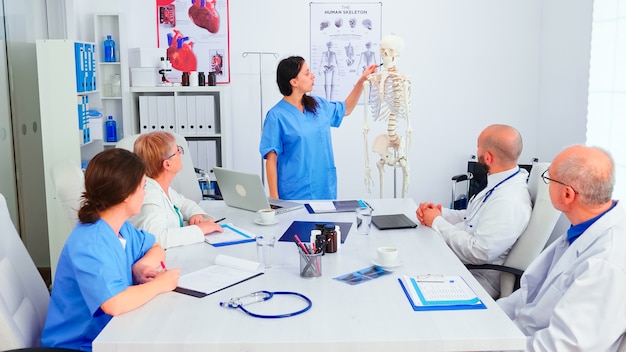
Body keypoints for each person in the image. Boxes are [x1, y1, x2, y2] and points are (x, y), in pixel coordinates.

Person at [41, 148, 179, 351]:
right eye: (142, 187)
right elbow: (114, 303)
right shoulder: (91, 243)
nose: (144, 193)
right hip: (80, 345)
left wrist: (141, 266)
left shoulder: (121, 228)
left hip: (111, 334)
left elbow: (156, 247)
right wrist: (160, 284)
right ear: (125, 195)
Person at [498, 145, 626, 351]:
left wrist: (491, 346)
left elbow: (564, 347)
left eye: (549, 179)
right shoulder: (583, 229)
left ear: (567, 195)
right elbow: (526, 299)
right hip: (517, 336)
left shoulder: (607, 263)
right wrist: (485, 321)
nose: (545, 184)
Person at [416, 124, 532, 298]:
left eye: (478, 147)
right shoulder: (500, 182)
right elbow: (470, 217)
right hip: (460, 262)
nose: (476, 151)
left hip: (477, 277)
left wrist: (436, 222)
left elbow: (479, 252)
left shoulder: (510, 200)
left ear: (488, 158)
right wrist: (441, 214)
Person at [259, 56, 378, 200]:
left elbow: (346, 109)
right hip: (294, 192)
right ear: (294, 82)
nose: (312, 75)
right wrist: (274, 199)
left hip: (324, 188)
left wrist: (362, 81)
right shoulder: (276, 116)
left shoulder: (318, 105)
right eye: (307, 73)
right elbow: (271, 159)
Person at [131, 131, 223, 249]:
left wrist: (196, 214)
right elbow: (157, 238)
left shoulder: (159, 186)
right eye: (177, 151)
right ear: (167, 164)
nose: (181, 154)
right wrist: (199, 230)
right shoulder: (149, 196)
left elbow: (183, 203)